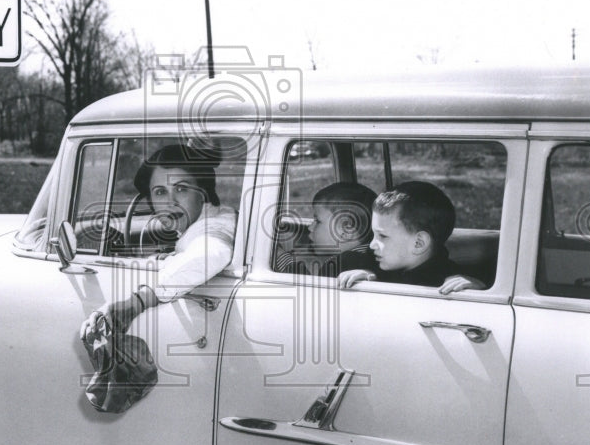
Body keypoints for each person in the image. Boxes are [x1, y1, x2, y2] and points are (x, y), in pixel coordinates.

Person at [80, 143, 238, 336]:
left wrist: (139, 301)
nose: (170, 203)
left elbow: (210, 253)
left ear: (203, 192)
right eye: (160, 192)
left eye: (181, 189)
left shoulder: (217, 226)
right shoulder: (214, 219)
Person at [337, 181, 485, 294]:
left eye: (382, 236)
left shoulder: (451, 283)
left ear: (419, 243)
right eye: (373, 234)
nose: (372, 245)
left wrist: (479, 289)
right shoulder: (364, 263)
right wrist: (368, 276)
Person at [274, 182, 378, 277]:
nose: (310, 227)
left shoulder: (341, 265)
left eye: (318, 221)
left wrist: (280, 256)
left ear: (347, 231)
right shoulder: (377, 259)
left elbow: (309, 290)